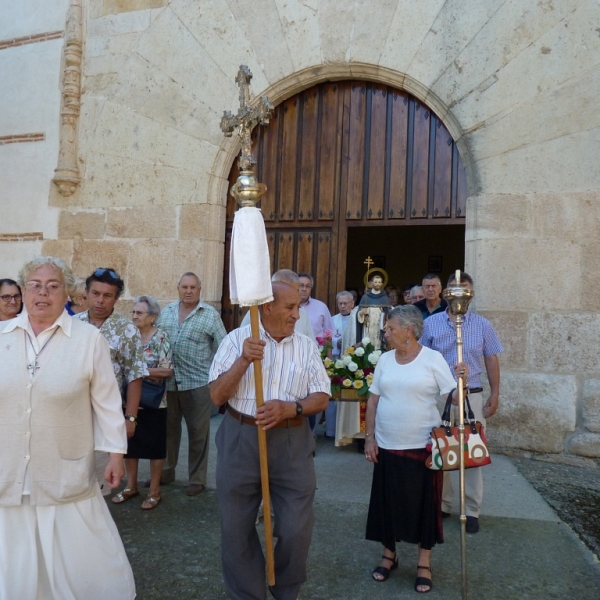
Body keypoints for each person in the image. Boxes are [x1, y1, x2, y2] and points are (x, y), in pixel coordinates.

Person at [0, 256, 135, 599]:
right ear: (23, 291)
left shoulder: (88, 340)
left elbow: (107, 402)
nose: (42, 293)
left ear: (67, 295)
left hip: (63, 462)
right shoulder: (2, 337)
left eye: (52, 285)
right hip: (9, 463)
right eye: (34, 285)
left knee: (75, 550)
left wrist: (117, 454)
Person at [209, 281, 331, 600]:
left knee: (296, 528)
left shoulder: (305, 346)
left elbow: (322, 396)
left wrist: (293, 407)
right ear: (267, 308)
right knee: (236, 528)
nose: (296, 314)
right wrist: (244, 360)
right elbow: (216, 395)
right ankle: (248, 594)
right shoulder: (237, 341)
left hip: (292, 441)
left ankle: (286, 589)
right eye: (290, 307)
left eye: (298, 307)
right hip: (240, 436)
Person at [364, 305, 468, 594]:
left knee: (423, 506)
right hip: (386, 445)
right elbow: (373, 401)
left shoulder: (433, 359)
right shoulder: (385, 360)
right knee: (388, 503)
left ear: (409, 330)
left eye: (390, 328)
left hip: (422, 447)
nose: (386, 332)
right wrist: (369, 438)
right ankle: (389, 554)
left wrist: (462, 380)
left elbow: (455, 400)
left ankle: (424, 562)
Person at [420, 272, 503, 534]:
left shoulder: (482, 325)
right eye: (454, 288)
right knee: (441, 447)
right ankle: (443, 503)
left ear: (471, 294)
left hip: (473, 393)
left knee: (473, 450)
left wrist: (495, 392)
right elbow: (421, 358)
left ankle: (472, 509)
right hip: (440, 396)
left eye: (463, 289)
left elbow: (491, 358)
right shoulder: (431, 324)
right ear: (447, 293)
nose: (458, 293)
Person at [76, 267, 148, 495]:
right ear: (86, 293)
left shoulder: (127, 330)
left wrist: (130, 417)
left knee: (101, 478)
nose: (100, 301)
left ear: (116, 298)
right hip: (73, 412)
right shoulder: (72, 325)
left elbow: (135, 375)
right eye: (95, 293)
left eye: (107, 296)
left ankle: (97, 522)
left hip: (106, 415)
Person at [157, 272, 226, 496]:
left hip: (197, 384)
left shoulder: (210, 315)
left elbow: (223, 346)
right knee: (168, 432)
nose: (188, 291)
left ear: (200, 290)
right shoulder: (165, 312)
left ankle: (196, 480)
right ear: (178, 288)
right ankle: (166, 473)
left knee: (198, 434)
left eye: (193, 287)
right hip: (168, 384)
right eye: (184, 287)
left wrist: (214, 376)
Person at [112, 296, 173, 510]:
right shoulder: (129, 336)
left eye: (139, 313)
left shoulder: (161, 337)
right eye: (133, 312)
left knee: (155, 447)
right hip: (130, 400)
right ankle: (131, 486)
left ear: (153, 317)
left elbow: (167, 370)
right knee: (131, 444)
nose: (134, 316)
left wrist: (139, 371)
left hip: (155, 402)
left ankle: (155, 491)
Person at [241, 269, 317, 343]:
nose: (296, 316)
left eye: (295, 291)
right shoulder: (254, 314)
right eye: (286, 291)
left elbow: (312, 345)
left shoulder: (302, 314)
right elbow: (241, 342)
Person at [326, 291, 355, 438]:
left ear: (352, 304)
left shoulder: (358, 320)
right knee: (333, 397)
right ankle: (331, 431)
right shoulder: (332, 320)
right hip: (337, 361)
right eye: (340, 303)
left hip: (353, 365)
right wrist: (336, 343)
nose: (343, 306)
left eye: (345, 303)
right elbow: (327, 340)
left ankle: (348, 432)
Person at [357, 273, 390, 349]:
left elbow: (389, 313)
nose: (377, 284)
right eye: (375, 282)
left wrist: (387, 323)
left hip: (380, 326)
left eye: (379, 282)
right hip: (368, 325)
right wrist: (361, 313)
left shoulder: (384, 297)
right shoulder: (365, 297)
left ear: (382, 284)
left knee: (379, 343)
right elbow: (359, 313)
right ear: (371, 283)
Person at [298, 272, 334, 338]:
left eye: (308, 286)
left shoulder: (321, 307)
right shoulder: (288, 306)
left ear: (311, 289)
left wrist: (327, 347)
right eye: (301, 285)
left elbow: (329, 332)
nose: (304, 289)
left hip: (316, 347)